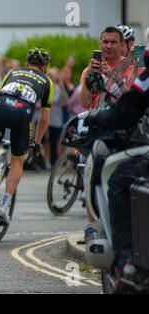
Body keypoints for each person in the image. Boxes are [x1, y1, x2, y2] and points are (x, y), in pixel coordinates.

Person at [83, 44, 149, 277]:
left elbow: (127, 109)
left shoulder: (145, 80)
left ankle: (126, 259)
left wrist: (99, 118)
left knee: (120, 183)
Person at [0, 47, 53, 225]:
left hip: (1, 108)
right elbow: (44, 119)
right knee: (18, 160)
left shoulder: (12, 72)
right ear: (45, 67)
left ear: (26, 64)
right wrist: (36, 143)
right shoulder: (47, 82)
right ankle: (4, 206)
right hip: (22, 114)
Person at [44, 67, 67, 167]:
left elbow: (65, 101)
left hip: (56, 119)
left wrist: (62, 88)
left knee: (55, 141)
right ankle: (46, 161)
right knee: (46, 141)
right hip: (47, 119)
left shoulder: (57, 88)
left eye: (53, 77)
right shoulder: (45, 88)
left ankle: (54, 161)